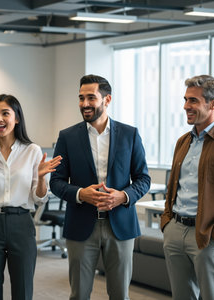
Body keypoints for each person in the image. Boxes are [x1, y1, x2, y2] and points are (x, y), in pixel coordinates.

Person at [50, 74, 151, 300]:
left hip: (121, 226)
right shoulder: (67, 137)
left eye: (91, 98)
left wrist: (123, 196)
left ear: (107, 100)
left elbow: (143, 178)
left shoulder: (129, 134)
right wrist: (80, 194)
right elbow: (55, 182)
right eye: (81, 98)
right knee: (79, 294)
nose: (84, 104)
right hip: (81, 225)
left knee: (120, 295)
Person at [0, 94, 62, 300]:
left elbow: (39, 198)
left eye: (5, 113)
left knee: (23, 291)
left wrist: (42, 178)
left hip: (21, 223)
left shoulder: (32, 151)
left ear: (16, 119)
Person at [160, 75, 214, 300]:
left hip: (208, 237)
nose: (186, 106)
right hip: (176, 230)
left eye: (193, 101)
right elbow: (174, 187)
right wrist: (167, 222)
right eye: (185, 100)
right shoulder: (183, 141)